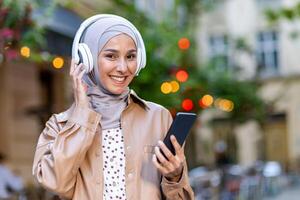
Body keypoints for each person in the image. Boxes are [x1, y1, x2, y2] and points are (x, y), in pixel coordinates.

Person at [32, 14, 194, 200]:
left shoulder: (159, 117)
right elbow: (56, 184)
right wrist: (82, 116)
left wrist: (175, 176)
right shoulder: (59, 126)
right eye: (111, 56)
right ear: (88, 59)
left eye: (131, 56)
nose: (123, 68)